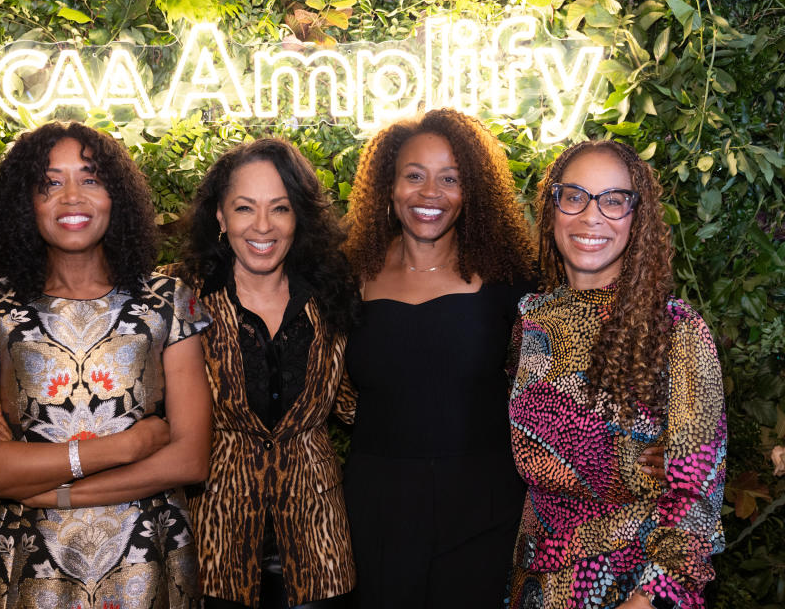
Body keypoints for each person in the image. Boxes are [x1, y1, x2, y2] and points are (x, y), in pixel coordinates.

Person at [0, 122, 212, 608]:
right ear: (26, 203)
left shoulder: (168, 304)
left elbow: (189, 460)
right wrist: (128, 445)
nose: (72, 197)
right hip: (22, 573)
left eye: (90, 179)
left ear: (117, 198)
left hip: (146, 569)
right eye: (50, 182)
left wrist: (45, 488)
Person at [506, 140, 726, 609]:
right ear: (552, 208)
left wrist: (649, 599)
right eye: (575, 195)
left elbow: (699, 499)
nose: (591, 216)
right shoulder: (532, 318)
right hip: (536, 582)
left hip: (634, 583)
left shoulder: (676, 329)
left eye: (613, 199)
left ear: (637, 215)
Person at [339, 108, 538, 607]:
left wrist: (633, 447)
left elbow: (568, 375)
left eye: (450, 178)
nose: (431, 194)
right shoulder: (347, 278)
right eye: (414, 176)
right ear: (388, 186)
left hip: (484, 507)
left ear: (470, 192)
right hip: (377, 505)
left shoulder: (512, 283)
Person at [167, 138, 360, 609]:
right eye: (244, 208)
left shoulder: (333, 294)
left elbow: (362, 403)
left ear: (299, 217)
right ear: (219, 216)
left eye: (280, 208)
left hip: (320, 545)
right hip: (216, 544)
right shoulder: (177, 296)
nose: (262, 226)